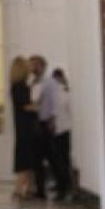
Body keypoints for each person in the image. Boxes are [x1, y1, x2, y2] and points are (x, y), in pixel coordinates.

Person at [29, 55, 69, 201]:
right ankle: (40, 190)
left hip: (46, 123)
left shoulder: (49, 83)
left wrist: (52, 119)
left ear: (42, 66)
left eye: (34, 64)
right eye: (31, 64)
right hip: (35, 123)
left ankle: (63, 188)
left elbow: (54, 102)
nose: (32, 67)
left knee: (53, 158)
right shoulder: (32, 83)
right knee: (37, 158)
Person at [8, 56, 36, 202]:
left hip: (23, 127)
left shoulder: (17, 86)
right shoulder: (20, 87)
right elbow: (26, 106)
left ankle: (28, 188)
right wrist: (39, 106)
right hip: (26, 128)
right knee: (25, 160)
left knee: (28, 159)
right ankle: (19, 190)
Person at [52, 68, 73, 201]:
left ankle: (64, 187)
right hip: (61, 130)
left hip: (61, 130)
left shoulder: (63, 93)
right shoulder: (62, 92)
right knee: (61, 160)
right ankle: (63, 186)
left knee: (61, 161)